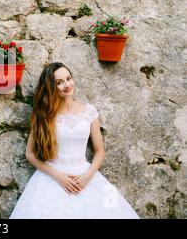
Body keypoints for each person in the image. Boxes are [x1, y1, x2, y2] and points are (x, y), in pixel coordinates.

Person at [9, 62, 139, 219]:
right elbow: (30, 154)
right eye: (59, 82)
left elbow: (99, 151)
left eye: (68, 78)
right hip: (52, 177)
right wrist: (59, 176)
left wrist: (87, 177)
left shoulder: (89, 111)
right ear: (51, 87)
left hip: (84, 175)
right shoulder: (43, 114)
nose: (67, 84)